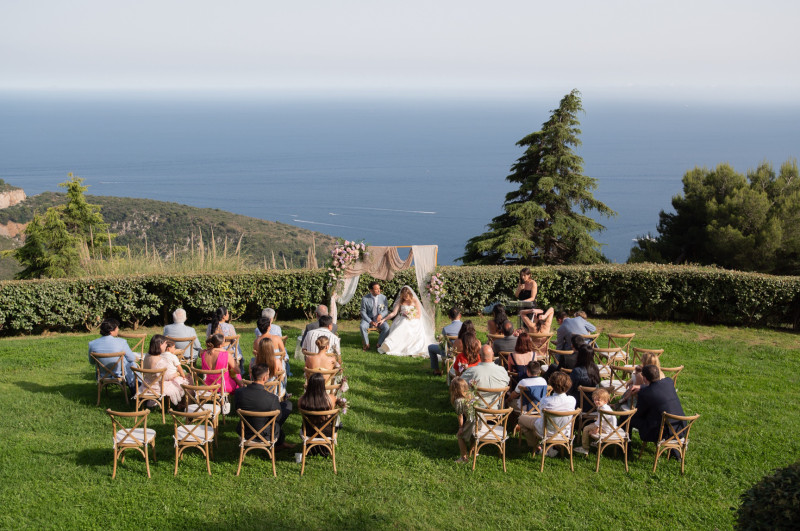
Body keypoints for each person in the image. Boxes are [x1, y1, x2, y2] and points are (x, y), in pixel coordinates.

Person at [517, 371, 576, 456]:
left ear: (552, 385)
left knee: (521, 419)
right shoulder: (572, 400)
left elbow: (541, 416)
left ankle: (537, 447)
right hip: (564, 432)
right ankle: (554, 447)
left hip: (545, 431)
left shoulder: (546, 400)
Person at [234, 363, 293, 448]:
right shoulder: (272, 398)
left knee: (286, 404)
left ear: (251, 375)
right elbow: (278, 418)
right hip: (267, 434)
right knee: (287, 405)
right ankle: (279, 442)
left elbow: (237, 408)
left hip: (245, 432)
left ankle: (280, 442)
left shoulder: (239, 393)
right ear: (265, 378)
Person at [631, 365, 686, 445]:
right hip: (680, 428)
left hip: (662, 433)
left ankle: (626, 449)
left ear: (645, 378)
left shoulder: (645, 394)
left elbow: (639, 414)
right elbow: (656, 386)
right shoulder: (669, 382)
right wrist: (642, 387)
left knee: (629, 419)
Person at [378, 285, 432, 357]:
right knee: (403, 323)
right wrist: (384, 319)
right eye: (403, 296)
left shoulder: (415, 300)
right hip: (402, 318)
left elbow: (419, 315)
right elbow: (394, 313)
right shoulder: (400, 301)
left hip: (414, 320)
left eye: (406, 296)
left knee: (405, 324)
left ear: (410, 294)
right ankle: (389, 345)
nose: (405, 298)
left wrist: (411, 316)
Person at [88, 318, 139, 392]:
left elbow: (92, 362)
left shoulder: (92, 344)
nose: (118, 330)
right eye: (117, 328)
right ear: (111, 331)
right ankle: (137, 388)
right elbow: (131, 358)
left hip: (102, 374)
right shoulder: (121, 342)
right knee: (131, 363)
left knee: (127, 361)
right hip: (119, 373)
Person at [298, 373, 342, 456]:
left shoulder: (302, 400)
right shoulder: (331, 399)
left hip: (308, 433)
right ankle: (327, 447)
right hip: (327, 433)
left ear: (309, 384)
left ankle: (310, 447)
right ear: (323, 385)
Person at [142, 334, 188, 407]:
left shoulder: (147, 355)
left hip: (146, 385)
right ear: (160, 345)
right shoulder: (160, 360)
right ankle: (183, 404)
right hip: (157, 386)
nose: (166, 346)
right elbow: (166, 377)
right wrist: (177, 374)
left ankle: (152, 402)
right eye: (165, 344)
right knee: (183, 382)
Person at [574, 388, 616, 455]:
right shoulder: (603, 407)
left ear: (605, 401)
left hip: (606, 429)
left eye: (598, 400)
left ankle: (585, 448)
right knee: (590, 426)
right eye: (595, 400)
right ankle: (593, 443)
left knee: (586, 429)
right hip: (608, 427)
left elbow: (600, 422)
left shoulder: (603, 410)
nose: (596, 402)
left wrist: (596, 430)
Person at [427, 306, 463, 376]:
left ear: (449, 317)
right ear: (460, 315)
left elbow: (443, 343)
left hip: (450, 352)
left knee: (430, 347)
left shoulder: (446, 329)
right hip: (463, 350)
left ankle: (437, 370)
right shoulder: (465, 326)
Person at [450, 377, 475, 464]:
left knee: (460, 436)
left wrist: (461, 428)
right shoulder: (471, 395)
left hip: (472, 421)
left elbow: (460, 416)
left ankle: (463, 458)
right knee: (474, 435)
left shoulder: (459, 401)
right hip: (481, 420)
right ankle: (473, 451)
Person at [360, 281, 390, 351]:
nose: (379, 290)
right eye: (376, 289)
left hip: (379, 319)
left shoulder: (383, 298)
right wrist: (370, 321)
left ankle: (379, 344)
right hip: (368, 319)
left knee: (386, 327)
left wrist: (381, 315)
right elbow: (363, 312)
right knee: (362, 326)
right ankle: (366, 344)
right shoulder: (365, 298)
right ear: (371, 290)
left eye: (379, 288)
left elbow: (386, 310)